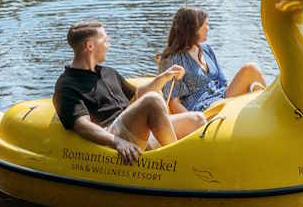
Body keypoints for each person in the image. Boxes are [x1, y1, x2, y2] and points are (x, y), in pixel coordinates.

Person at [55, 21, 207, 164]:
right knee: (153, 100)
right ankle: (177, 163)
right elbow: (81, 125)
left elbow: (137, 96)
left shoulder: (108, 73)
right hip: (112, 133)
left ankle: (201, 164)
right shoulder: (67, 85)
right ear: (89, 46)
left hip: (135, 129)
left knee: (197, 119)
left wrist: (165, 76)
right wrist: (117, 141)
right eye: (105, 40)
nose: (109, 45)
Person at [160, 8, 267, 112]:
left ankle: (273, 109)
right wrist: (196, 122)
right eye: (205, 25)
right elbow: (174, 103)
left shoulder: (206, 49)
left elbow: (223, 83)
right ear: (193, 28)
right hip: (203, 108)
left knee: (251, 69)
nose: (208, 28)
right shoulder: (173, 59)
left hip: (221, 96)